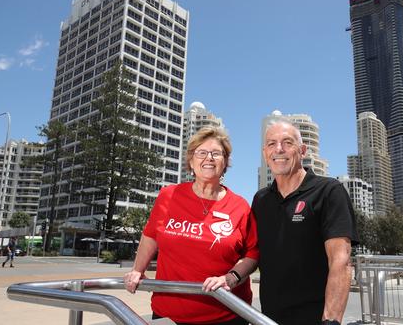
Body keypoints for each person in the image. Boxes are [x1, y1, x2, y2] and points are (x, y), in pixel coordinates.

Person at [124, 127, 259, 325]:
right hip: (169, 314)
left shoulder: (240, 206)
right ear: (191, 161)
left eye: (216, 153)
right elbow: (151, 235)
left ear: (225, 162)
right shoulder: (168, 196)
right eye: (201, 152)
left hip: (226, 314)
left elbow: (253, 254)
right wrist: (137, 270)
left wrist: (230, 278)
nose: (209, 158)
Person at [252, 120, 359, 325]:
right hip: (269, 317)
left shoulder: (329, 191)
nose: (279, 149)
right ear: (265, 153)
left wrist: (331, 320)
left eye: (287, 142)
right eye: (272, 144)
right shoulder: (261, 199)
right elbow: (252, 252)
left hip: (316, 317)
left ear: (302, 150)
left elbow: (341, 260)